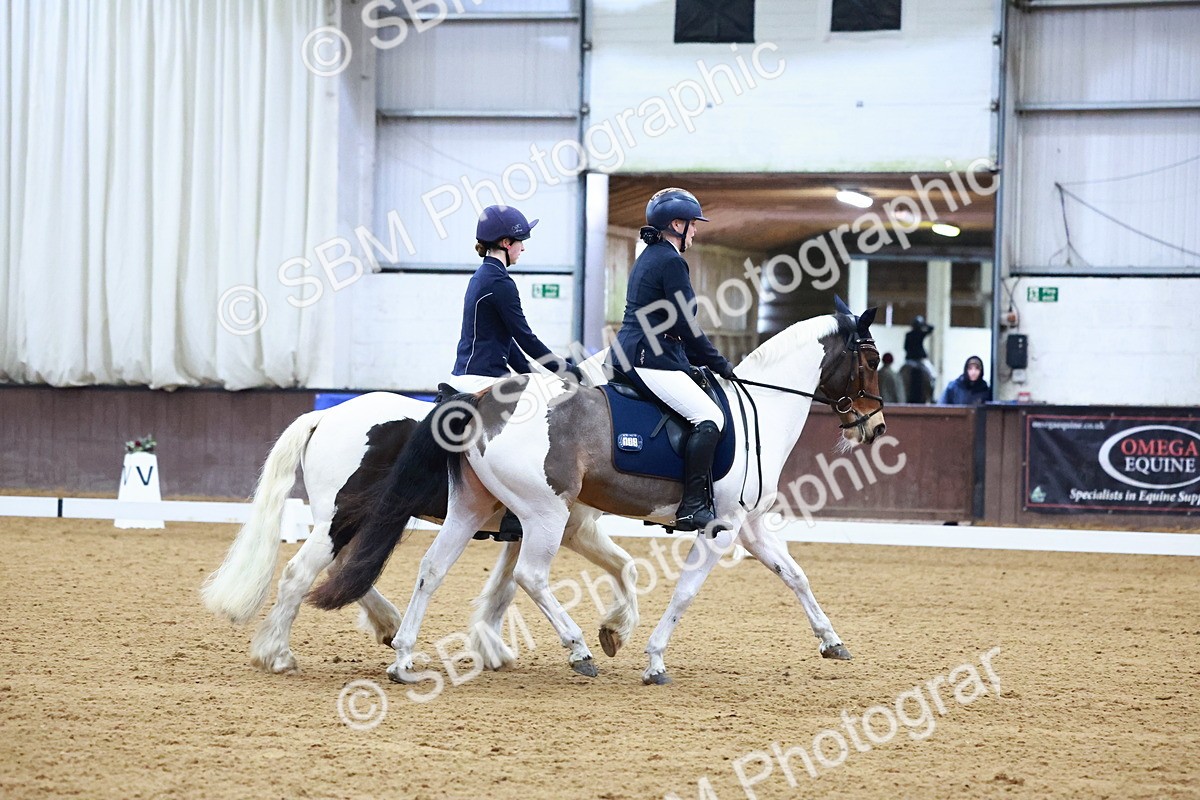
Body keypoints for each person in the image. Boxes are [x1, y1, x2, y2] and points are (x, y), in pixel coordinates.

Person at [606, 188, 736, 534]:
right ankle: (692, 506)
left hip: (636, 352)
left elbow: (670, 325)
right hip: (648, 358)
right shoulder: (671, 261)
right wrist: (720, 364)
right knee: (710, 416)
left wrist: (694, 360)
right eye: (693, 224)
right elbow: (685, 326)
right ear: (677, 225)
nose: (695, 231)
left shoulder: (652, 255)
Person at [449, 204, 579, 539]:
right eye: (521, 241)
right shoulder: (500, 282)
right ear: (506, 243)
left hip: (472, 371)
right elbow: (525, 337)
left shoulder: (486, 276)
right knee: (535, 434)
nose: (523, 248)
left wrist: (536, 376)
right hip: (483, 379)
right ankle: (511, 514)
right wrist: (566, 370)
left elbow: (507, 342)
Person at [903, 315, 936, 403]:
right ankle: (932, 397)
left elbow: (905, 347)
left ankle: (931, 396)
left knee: (933, 375)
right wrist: (925, 325)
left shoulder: (914, 334)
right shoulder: (920, 333)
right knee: (932, 375)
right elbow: (931, 328)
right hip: (917, 359)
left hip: (913, 359)